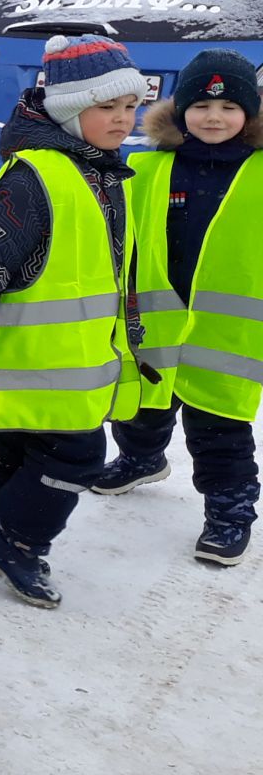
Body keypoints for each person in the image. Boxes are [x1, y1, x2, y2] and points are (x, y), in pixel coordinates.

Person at [0, 34, 148, 607]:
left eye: (130, 106)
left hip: (72, 358)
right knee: (76, 457)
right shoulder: (35, 176)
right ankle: (18, 544)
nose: (124, 119)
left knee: (19, 444)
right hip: (40, 358)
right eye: (108, 107)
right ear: (71, 110)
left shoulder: (99, 170)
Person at [92, 48, 262, 566]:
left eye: (230, 108)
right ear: (179, 110)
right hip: (155, 321)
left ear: (249, 115)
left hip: (227, 334)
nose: (214, 118)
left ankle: (230, 511)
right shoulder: (144, 168)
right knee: (141, 405)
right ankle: (142, 459)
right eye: (202, 107)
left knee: (220, 429)